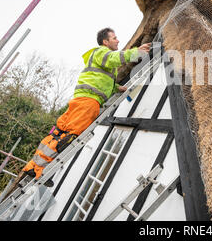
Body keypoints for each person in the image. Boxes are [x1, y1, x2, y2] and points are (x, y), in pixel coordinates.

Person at [21, 27, 151, 185]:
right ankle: (40, 171)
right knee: (70, 137)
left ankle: (33, 166)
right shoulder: (101, 52)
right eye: (114, 38)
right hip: (89, 102)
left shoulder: (100, 60)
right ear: (105, 42)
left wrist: (116, 88)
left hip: (81, 100)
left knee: (58, 133)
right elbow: (114, 58)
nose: (118, 41)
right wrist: (135, 52)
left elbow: (101, 81)